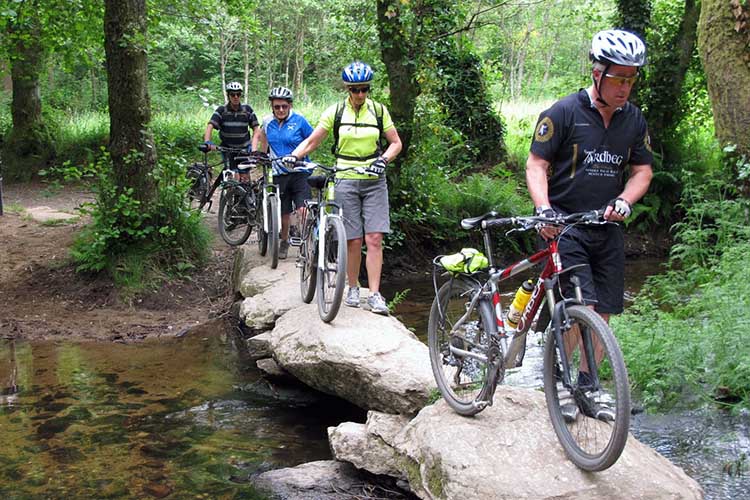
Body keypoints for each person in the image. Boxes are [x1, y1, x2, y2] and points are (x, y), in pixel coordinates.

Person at [525, 29, 653, 421]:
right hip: (566, 227)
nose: (625, 87)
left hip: (608, 228)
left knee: (607, 310)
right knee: (582, 305)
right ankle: (563, 383)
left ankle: (587, 385)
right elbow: (536, 165)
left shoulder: (633, 121)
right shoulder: (563, 112)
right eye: (618, 78)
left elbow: (642, 171)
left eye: (631, 79)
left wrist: (623, 200)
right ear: (597, 73)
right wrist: (544, 209)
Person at [285, 61, 402, 315]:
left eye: (364, 89)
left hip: (374, 179)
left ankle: (373, 294)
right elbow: (313, 140)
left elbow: (395, 143)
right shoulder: (336, 111)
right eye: (355, 90)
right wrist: (294, 155)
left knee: (374, 238)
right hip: (345, 177)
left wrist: (383, 160)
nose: (360, 95)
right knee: (353, 239)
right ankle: (351, 287)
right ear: (347, 89)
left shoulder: (379, 111)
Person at [256, 86, 314, 259]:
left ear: (290, 105)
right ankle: (284, 241)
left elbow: (311, 140)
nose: (280, 110)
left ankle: (305, 242)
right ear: (272, 107)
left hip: (300, 171)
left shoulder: (300, 121)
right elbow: (263, 138)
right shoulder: (267, 122)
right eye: (277, 107)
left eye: (284, 106)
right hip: (279, 172)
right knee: (284, 212)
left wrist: (299, 156)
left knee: (303, 209)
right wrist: (262, 154)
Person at [203, 81, 262, 179]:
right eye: (232, 94)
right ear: (228, 95)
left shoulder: (247, 110)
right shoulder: (222, 110)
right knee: (232, 177)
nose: (235, 97)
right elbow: (210, 125)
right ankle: (228, 192)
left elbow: (256, 128)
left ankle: (243, 193)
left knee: (244, 178)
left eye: (238, 94)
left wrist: (253, 145)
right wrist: (207, 141)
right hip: (227, 150)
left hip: (244, 149)